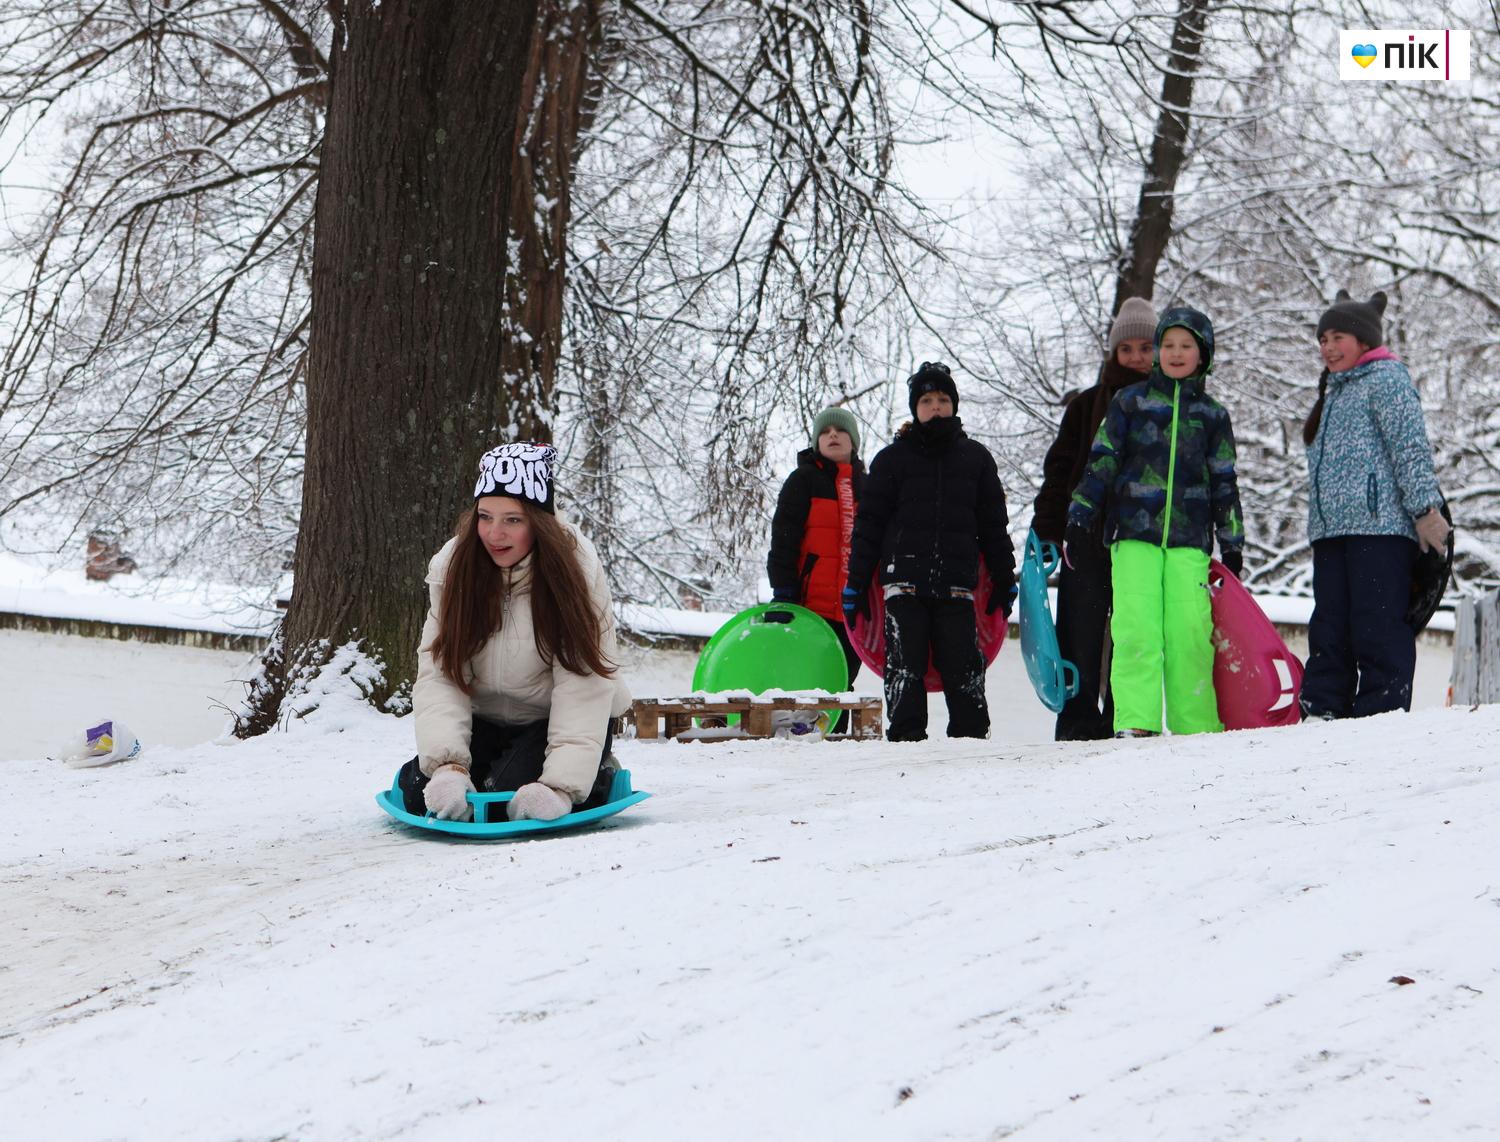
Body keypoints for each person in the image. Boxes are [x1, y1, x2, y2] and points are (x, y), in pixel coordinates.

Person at [397, 442, 632, 822]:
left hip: (554, 719)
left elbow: (583, 684)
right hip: (486, 719)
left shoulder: (577, 573)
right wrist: (447, 768)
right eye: (485, 516)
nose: (494, 533)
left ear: (539, 524)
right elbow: (441, 673)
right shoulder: (453, 568)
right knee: (422, 795)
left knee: (507, 793)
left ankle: (596, 774)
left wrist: (560, 787)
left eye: (513, 520)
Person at [1065, 308, 1243, 738]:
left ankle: (1194, 726)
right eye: (1168, 345)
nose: (1176, 353)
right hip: (1132, 537)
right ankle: (1136, 722)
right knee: (1136, 629)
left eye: (1187, 346)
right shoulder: (1131, 403)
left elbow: (1225, 479)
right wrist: (1079, 515)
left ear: (1203, 355)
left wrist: (1232, 542)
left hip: (1189, 542)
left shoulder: (1213, 415)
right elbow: (1102, 460)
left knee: (1189, 634)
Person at [844, 362, 1016, 741]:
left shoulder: (976, 459)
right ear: (914, 407)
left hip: (957, 587)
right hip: (902, 585)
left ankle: (971, 744)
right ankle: (906, 742)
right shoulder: (892, 460)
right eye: (926, 399)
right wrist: (855, 583)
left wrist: (1005, 580)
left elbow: (993, 528)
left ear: (954, 404)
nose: (935, 406)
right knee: (904, 667)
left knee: (964, 669)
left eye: (942, 399)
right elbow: (868, 527)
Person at [1300, 290, 1449, 720]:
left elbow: (1410, 447)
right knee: (1329, 626)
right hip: (1331, 533)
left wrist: (1425, 510)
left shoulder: (1387, 379)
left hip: (1380, 528)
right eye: (1323, 338)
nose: (1328, 347)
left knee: (1377, 625)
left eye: (1338, 337)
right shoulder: (1332, 390)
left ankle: (1381, 713)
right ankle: (1323, 708)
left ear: (1365, 340)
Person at [1032, 296, 1157, 740]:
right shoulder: (1085, 406)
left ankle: (1124, 717)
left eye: (1146, 348)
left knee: (1133, 629)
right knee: (1080, 631)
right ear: (1114, 353)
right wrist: (1047, 526)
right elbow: (1059, 470)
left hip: (1141, 537)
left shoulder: (1167, 404)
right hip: (1084, 532)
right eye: (1127, 350)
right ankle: (1078, 721)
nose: (1137, 357)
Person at [767, 407, 866, 730]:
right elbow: (783, 539)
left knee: (844, 679)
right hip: (812, 607)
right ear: (816, 442)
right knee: (813, 679)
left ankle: (837, 747)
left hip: (855, 607)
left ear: (854, 442)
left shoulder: (869, 486)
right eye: (825, 432)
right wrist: (783, 592)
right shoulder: (803, 481)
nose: (833, 435)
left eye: (841, 430)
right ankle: (803, 748)